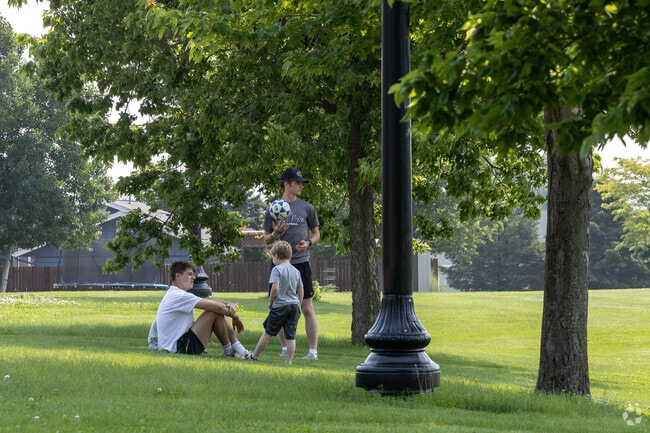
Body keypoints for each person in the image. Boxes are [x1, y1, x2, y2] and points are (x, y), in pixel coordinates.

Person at [263, 168, 320, 360]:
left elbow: (316, 234)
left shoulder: (307, 208)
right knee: (279, 307)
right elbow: (266, 239)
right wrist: (277, 233)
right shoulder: (272, 209)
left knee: (306, 308)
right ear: (286, 183)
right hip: (280, 266)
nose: (301, 186)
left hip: (301, 263)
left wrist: (309, 243)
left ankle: (312, 351)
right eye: (297, 182)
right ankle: (286, 349)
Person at [154, 260, 250, 357]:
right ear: (178, 276)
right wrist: (235, 316)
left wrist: (230, 304)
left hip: (180, 344)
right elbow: (218, 306)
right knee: (213, 311)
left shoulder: (176, 293)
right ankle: (233, 352)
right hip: (178, 348)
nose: (193, 278)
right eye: (190, 274)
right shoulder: (178, 295)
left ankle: (234, 351)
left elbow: (214, 302)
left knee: (215, 310)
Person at [247, 241, 303, 364]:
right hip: (294, 305)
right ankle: (288, 362)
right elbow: (300, 289)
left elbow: (275, 288)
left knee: (268, 331)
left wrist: (271, 301)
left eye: (272, 256)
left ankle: (254, 356)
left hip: (280, 305)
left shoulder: (277, 269)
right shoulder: (296, 271)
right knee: (290, 335)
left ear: (276, 255)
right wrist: (299, 303)